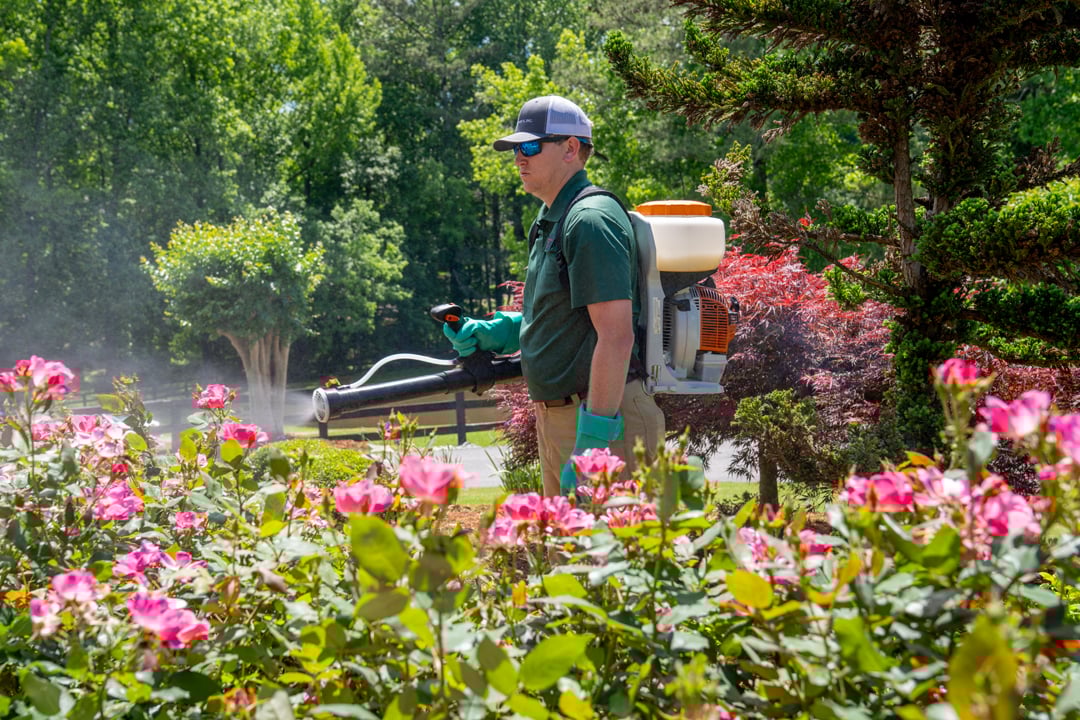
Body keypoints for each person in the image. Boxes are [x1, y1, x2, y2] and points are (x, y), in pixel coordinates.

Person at [444, 95, 665, 497]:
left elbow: (616, 336)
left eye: (530, 146)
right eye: (516, 149)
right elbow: (561, 315)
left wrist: (593, 442)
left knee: (611, 556)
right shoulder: (552, 220)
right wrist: (500, 331)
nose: (519, 158)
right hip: (563, 418)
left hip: (603, 420)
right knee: (565, 555)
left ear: (571, 148)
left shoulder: (590, 220)